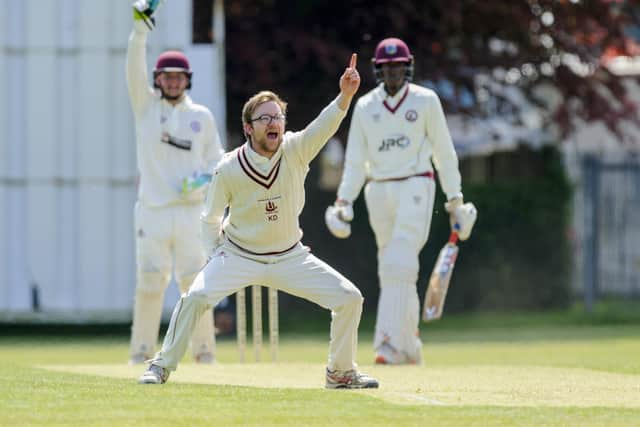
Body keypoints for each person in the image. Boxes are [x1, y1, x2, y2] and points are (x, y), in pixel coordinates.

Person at [138, 53, 379, 390]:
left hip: (290, 256)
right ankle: (161, 366)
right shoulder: (228, 168)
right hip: (238, 255)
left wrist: (345, 96)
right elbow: (209, 219)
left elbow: (324, 127)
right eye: (264, 118)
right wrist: (215, 256)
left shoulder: (295, 150)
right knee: (194, 297)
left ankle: (340, 373)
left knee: (349, 298)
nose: (273, 123)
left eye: (277, 116)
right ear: (248, 128)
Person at [325, 38, 476, 365]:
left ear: (407, 67)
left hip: (416, 185)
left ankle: (388, 344)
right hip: (378, 190)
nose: (393, 73)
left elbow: (444, 153)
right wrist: (343, 201)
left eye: (398, 67)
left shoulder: (425, 101)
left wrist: (455, 199)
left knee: (399, 262)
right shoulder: (365, 106)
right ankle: (411, 347)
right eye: (387, 68)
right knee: (393, 270)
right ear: (378, 70)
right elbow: (355, 160)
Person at [127, 0, 224, 364]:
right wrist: (140, 32)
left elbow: (218, 162)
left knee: (193, 283)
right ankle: (140, 352)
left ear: (187, 80)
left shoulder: (201, 116)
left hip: (190, 212)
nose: (171, 81)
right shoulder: (146, 108)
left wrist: (199, 181)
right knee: (150, 280)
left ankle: (203, 352)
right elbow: (133, 69)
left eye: (177, 77)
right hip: (151, 210)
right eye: (165, 76)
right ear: (157, 80)